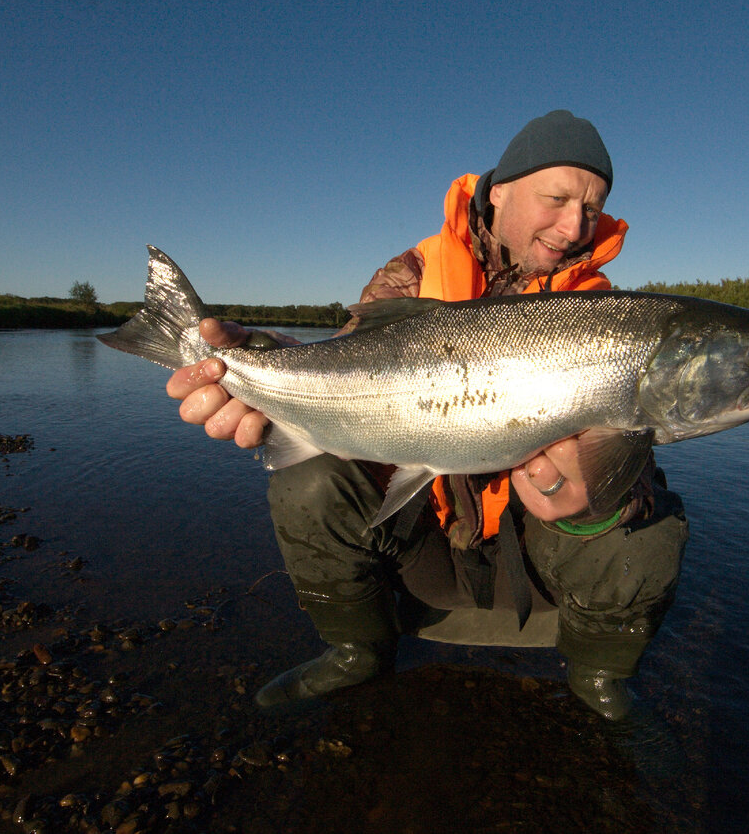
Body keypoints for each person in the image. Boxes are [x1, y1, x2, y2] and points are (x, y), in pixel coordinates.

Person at [165, 111, 688, 721]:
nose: (574, 225)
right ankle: (354, 651)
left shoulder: (610, 323)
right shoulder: (409, 277)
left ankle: (601, 678)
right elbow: (341, 369)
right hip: (425, 531)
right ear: (500, 193)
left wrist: (595, 500)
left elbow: (640, 479)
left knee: (649, 529)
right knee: (307, 480)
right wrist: (261, 365)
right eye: (557, 198)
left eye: (592, 209)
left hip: (537, 544)